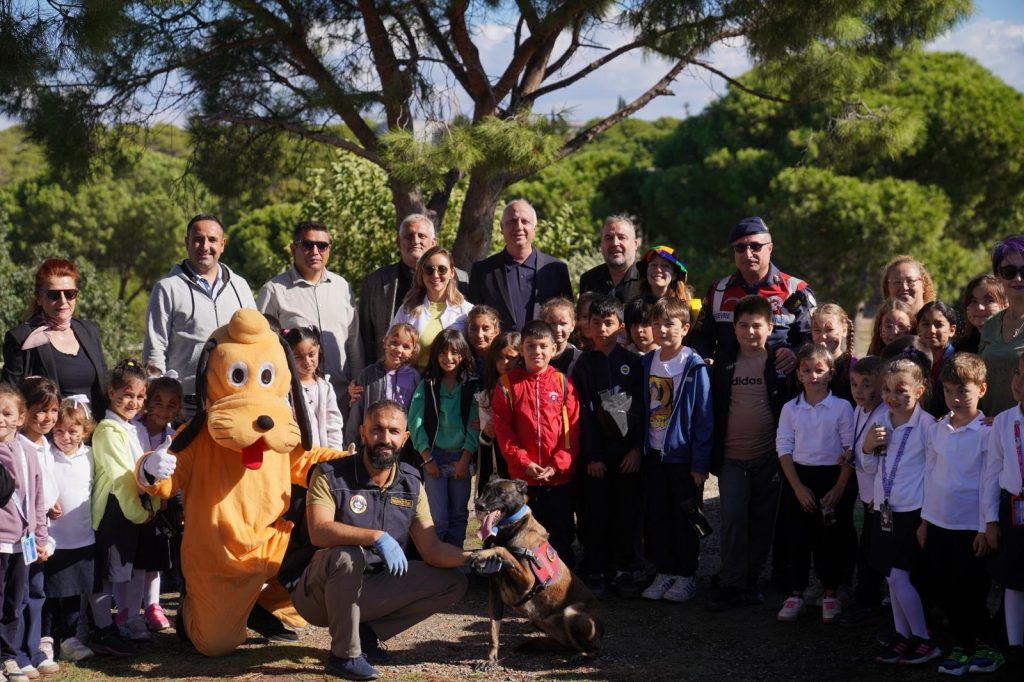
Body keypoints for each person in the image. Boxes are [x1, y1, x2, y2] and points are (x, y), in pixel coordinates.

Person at [280, 400, 476, 682]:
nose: (385, 438)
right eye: (377, 430)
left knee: (453, 581)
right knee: (347, 556)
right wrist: (375, 537)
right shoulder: (330, 474)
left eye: (394, 431)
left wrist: (476, 558)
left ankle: (365, 635)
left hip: (370, 586)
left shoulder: (411, 484)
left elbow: (432, 549)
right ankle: (344, 656)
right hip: (317, 594)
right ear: (363, 432)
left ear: (405, 437)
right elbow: (319, 532)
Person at [921, 353, 1003, 675]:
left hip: (971, 526)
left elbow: (990, 481)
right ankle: (962, 643)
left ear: (981, 390)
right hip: (939, 522)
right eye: (948, 391)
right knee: (944, 585)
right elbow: (930, 473)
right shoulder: (938, 428)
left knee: (971, 588)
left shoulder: (988, 432)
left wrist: (985, 526)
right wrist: (925, 521)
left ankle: (983, 644)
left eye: (963, 391)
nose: (955, 398)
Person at [707, 295, 791, 612]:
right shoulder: (723, 362)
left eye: (757, 326)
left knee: (762, 521)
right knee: (732, 517)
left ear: (770, 327)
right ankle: (731, 583)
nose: (750, 332)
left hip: (768, 456)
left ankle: (751, 580)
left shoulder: (780, 363)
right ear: (734, 328)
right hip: (731, 457)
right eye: (743, 326)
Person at [862, 355, 940, 665]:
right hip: (885, 510)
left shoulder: (928, 427)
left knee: (898, 576)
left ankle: (924, 639)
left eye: (901, 391)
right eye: (886, 390)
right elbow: (869, 466)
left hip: (912, 512)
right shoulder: (881, 420)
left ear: (919, 391)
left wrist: (926, 519)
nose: (891, 397)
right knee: (890, 575)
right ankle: (902, 634)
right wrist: (867, 446)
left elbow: (934, 474)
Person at [143, 214, 256, 417]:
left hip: (233, 397)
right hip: (185, 402)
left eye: (212, 240)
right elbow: (155, 346)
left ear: (222, 245)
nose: (205, 246)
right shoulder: (167, 288)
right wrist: (159, 397)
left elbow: (255, 337)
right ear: (187, 243)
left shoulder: (240, 286)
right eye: (198, 239)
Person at [774, 345, 855, 624]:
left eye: (819, 370)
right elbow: (784, 448)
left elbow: (849, 449)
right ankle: (796, 593)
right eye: (806, 370)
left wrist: (839, 487)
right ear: (798, 374)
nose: (813, 376)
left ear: (830, 373)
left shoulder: (842, 408)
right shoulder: (790, 409)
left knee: (829, 539)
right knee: (797, 538)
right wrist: (797, 487)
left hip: (831, 479)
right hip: (799, 479)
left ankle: (829, 593)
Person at [639, 297, 712, 604]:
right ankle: (665, 570)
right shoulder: (647, 361)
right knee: (658, 515)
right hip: (654, 455)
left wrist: (700, 463)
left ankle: (686, 574)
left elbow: (704, 417)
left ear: (685, 328)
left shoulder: (694, 366)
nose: (662, 329)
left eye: (669, 324)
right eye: (656, 323)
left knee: (686, 516)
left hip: (682, 457)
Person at [571, 296, 644, 599]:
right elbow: (582, 416)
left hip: (627, 455)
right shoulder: (583, 365)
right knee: (596, 514)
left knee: (627, 512)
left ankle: (625, 568)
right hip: (596, 457)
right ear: (587, 327)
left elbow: (643, 410)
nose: (602, 329)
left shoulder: (634, 363)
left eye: (608, 323)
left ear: (621, 327)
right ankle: (596, 569)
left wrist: (636, 449)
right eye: (596, 323)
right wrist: (592, 456)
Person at [491, 320, 580, 564]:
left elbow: (571, 432)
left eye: (543, 346)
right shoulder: (507, 385)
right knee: (524, 538)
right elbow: (504, 432)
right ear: (521, 349)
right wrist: (524, 463)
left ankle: (562, 580)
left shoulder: (563, 383)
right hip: (524, 479)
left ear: (554, 349)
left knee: (560, 533)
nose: (537, 351)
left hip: (558, 478)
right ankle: (530, 579)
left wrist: (557, 465)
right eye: (530, 346)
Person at [690, 217, 814, 373]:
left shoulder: (795, 289)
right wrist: (704, 361)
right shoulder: (718, 290)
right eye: (740, 248)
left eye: (755, 247)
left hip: (780, 382)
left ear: (770, 248)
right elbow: (700, 338)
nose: (748, 254)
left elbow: (813, 337)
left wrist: (796, 354)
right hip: (728, 381)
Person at [257, 221, 363, 404]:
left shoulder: (342, 287)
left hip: (344, 397)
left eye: (322, 245)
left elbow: (353, 343)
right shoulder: (274, 291)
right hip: (296, 399)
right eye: (307, 245)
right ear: (293, 248)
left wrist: (359, 382)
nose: (315, 251)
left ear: (329, 249)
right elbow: (263, 347)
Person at [90, 360, 156, 649]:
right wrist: (139, 513)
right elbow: (122, 478)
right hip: (115, 510)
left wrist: (153, 503)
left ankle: (129, 619)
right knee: (110, 571)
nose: (134, 402)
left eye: (140, 396)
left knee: (133, 567)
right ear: (111, 391)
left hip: (137, 508)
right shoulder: (107, 430)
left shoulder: (135, 428)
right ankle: (105, 628)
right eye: (128, 395)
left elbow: (146, 469)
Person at [358, 214, 467, 367]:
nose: (415, 241)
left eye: (422, 236)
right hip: (388, 372)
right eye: (409, 236)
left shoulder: (462, 279)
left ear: (433, 242)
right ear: (398, 242)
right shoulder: (375, 282)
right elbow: (365, 335)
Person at [2, 259, 108, 412]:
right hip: (49, 426)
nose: (63, 301)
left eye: (70, 294)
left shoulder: (90, 331)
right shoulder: (22, 338)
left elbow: (104, 386)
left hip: (94, 425)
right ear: (39, 298)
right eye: (53, 295)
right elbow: (9, 395)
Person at [408, 330, 480, 548]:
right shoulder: (428, 385)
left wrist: (465, 459)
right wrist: (427, 458)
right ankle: (437, 560)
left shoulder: (471, 386)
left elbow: (474, 425)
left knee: (459, 516)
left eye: (454, 352)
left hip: (461, 458)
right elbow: (415, 422)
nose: (448, 358)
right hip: (435, 458)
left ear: (463, 355)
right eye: (442, 352)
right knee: (437, 518)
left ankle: (455, 559)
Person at [0, 384, 48, 682]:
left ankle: (8, 656)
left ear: (21, 418)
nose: (0, 419)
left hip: (23, 543)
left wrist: (40, 537)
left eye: (7, 413)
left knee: (14, 603)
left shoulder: (29, 451)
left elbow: (37, 498)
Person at [43, 398, 97, 663]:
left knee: (75, 591)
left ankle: (69, 639)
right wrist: (47, 503)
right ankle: (45, 639)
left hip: (82, 538)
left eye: (72, 431)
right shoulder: (46, 454)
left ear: (84, 431)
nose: (65, 437)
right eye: (59, 430)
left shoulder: (90, 456)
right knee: (50, 593)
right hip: (53, 539)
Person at [467, 199, 573, 333]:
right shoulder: (483, 271)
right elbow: (474, 320)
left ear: (535, 228)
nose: (518, 227)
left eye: (525, 221)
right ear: (501, 228)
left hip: (544, 346)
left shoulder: (557, 270)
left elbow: (568, 317)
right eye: (512, 221)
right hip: (499, 346)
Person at [13, 378, 60, 678]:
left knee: (36, 591)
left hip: (43, 531)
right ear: (24, 411)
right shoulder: (19, 445)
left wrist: (52, 503)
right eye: (41, 410)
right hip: (24, 533)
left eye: (53, 410)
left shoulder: (46, 444)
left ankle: (34, 648)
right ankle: (17, 652)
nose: (48, 418)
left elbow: (46, 485)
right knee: (19, 594)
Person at [983, 348, 1024, 669]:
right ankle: (1013, 646)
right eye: (1017, 374)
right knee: (1013, 579)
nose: (1018, 383)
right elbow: (992, 473)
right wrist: (990, 521)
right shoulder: (1005, 421)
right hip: (1012, 510)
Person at [130, 376, 182, 633]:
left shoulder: (173, 437)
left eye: (171, 405)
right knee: (136, 560)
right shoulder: (132, 429)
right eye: (158, 403)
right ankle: (131, 608)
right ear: (147, 402)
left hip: (160, 509)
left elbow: (176, 477)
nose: (163, 410)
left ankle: (153, 605)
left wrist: (166, 502)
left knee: (155, 559)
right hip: (132, 504)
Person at [840, 356, 887, 626]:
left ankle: (869, 602)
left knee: (872, 552)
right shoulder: (860, 409)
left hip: (879, 500)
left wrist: (879, 497)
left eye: (866, 384)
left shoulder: (883, 417)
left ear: (882, 385)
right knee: (866, 548)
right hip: (868, 496)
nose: (858, 390)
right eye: (854, 384)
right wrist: (850, 454)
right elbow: (859, 446)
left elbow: (883, 463)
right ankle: (866, 598)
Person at [391, 246, 474, 369]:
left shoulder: (467, 311)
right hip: (411, 378)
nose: (435, 275)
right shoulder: (407, 309)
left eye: (442, 269)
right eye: (429, 269)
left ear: (452, 273)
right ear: (422, 273)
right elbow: (390, 347)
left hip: (454, 379)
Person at [344, 324, 420, 451]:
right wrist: (350, 445)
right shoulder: (368, 375)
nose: (399, 349)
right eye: (394, 343)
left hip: (401, 446)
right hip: (372, 441)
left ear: (413, 351)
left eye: (406, 347)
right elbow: (356, 413)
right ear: (385, 342)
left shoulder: (414, 378)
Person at [980, 236, 1024, 416]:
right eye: (1009, 271)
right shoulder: (990, 324)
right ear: (998, 276)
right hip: (988, 427)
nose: (1018, 278)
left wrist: (1006, 421)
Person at [285, 326, 345, 450]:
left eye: (311, 354)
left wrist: (334, 454)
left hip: (324, 456)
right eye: (298, 357)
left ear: (318, 349)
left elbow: (333, 425)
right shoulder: (286, 389)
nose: (307, 361)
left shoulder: (325, 388)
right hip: (298, 455)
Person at [474, 332, 520, 487]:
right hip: (496, 460)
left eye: (511, 358)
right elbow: (484, 439)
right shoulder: (487, 391)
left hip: (523, 460)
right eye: (500, 357)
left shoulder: (527, 387)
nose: (505, 362)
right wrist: (487, 431)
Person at [578, 215, 642, 303]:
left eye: (621, 237)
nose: (615, 243)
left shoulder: (648, 277)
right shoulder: (589, 280)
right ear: (601, 245)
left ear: (635, 244)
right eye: (609, 238)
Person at [916, 301, 958, 417]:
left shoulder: (958, 363)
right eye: (925, 324)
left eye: (938, 325)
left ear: (952, 330)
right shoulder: (912, 360)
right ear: (918, 329)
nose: (932, 330)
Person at [811, 303, 856, 404]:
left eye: (829, 330)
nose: (823, 336)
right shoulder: (807, 366)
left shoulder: (852, 366)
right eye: (817, 330)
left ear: (844, 330)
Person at [955, 274, 1006, 354]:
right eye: (974, 301)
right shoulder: (961, 348)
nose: (980, 307)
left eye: (989, 301)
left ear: (1005, 305)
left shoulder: (1015, 342)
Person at [541, 297, 582, 376]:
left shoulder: (579, 358)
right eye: (552, 323)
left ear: (572, 325)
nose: (557, 329)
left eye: (563, 324)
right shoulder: (537, 354)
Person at [465, 305, 501, 376]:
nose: (479, 335)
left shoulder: (504, 360)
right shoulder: (462, 360)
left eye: (486, 329)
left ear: (496, 332)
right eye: (474, 329)